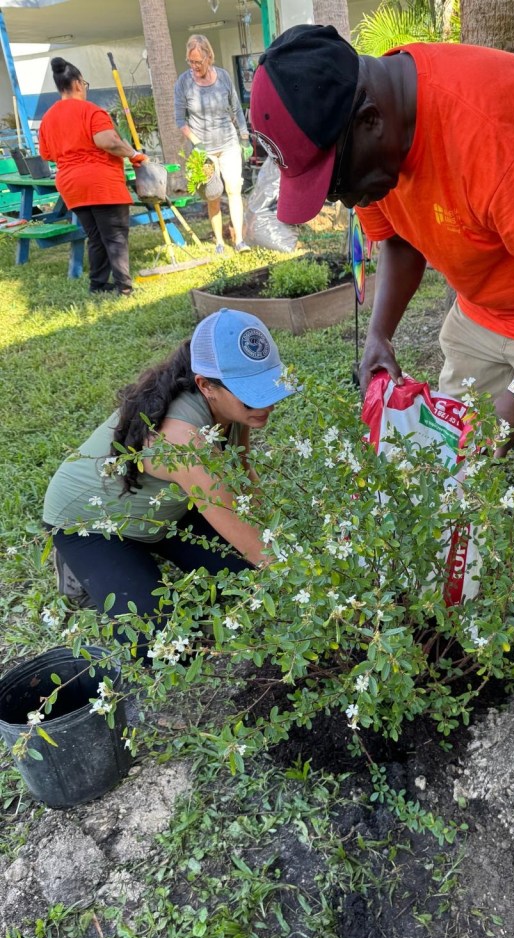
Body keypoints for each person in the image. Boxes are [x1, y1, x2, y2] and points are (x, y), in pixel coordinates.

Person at [249, 26, 514, 692]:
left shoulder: (492, 131)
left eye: (336, 181)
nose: (343, 199)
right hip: (489, 296)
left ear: (370, 120)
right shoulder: (378, 137)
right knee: (446, 444)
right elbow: (399, 238)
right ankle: (455, 576)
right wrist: (380, 333)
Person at [43, 309, 295, 654]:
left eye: (268, 386)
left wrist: (274, 533)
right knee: (160, 647)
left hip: (167, 509)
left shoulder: (233, 408)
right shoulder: (183, 440)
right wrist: (307, 582)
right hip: (92, 523)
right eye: (251, 393)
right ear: (205, 386)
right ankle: (80, 567)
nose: (266, 403)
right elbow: (255, 545)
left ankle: (145, 553)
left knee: (244, 579)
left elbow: (242, 470)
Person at [38, 57, 146, 296]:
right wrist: (133, 154)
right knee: (115, 235)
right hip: (100, 182)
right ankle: (124, 287)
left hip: (71, 186)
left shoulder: (47, 119)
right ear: (78, 84)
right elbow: (108, 141)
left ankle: (98, 284)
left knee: (96, 236)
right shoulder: (91, 111)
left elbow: (46, 154)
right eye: (84, 84)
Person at [174, 34, 252, 255]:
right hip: (203, 150)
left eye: (198, 61)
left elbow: (236, 109)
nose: (194, 66)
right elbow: (180, 120)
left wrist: (244, 137)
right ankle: (219, 242)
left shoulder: (224, 77)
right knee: (214, 194)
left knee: (234, 189)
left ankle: (239, 241)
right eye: (190, 61)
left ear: (209, 56)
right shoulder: (183, 83)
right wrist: (196, 143)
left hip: (228, 143)